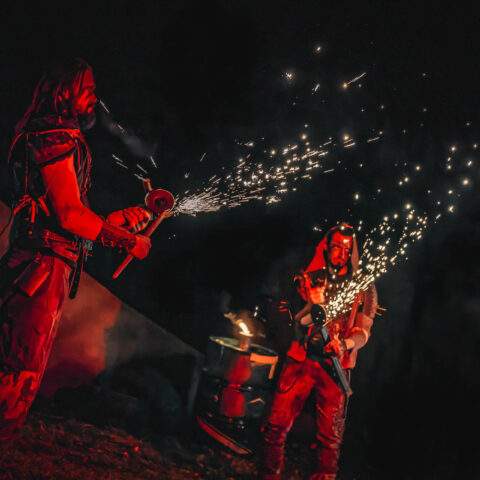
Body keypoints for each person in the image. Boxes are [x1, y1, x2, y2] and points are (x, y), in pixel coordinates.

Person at [0, 58, 162, 441]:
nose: (93, 99)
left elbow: (73, 215)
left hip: (43, 268)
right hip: (38, 271)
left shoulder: (55, 135)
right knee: (16, 376)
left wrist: (124, 220)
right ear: (64, 92)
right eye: (86, 90)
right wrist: (127, 242)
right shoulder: (53, 136)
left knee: (20, 375)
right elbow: (70, 216)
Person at [259, 223, 378, 480]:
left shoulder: (364, 288)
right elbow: (297, 320)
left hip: (336, 368)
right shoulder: (310, 279)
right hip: (301, 360)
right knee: (276, 424)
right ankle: (269, 474)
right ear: (326, 247)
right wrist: (313, 302)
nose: (341, 254)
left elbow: (364, 332)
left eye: (347, 249)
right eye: (336, 247)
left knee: (331, 439)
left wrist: (344, 344)